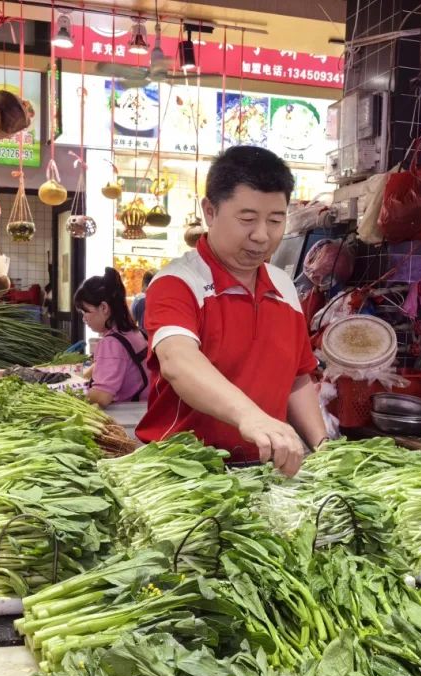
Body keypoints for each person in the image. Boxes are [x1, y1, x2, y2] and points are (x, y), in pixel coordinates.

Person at [137, 145, 327, 477]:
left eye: (275, 220)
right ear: (210, 211)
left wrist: (324, 446)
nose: (262, 235)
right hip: (182, 475)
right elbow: (177, 361)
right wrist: (248, 415)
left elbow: (297, 378)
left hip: (262, 473)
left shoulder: (284, 287)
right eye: (247, 219)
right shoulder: (178, 282)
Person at [75, 267, 149, 407]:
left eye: (85, 312)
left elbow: (102, 396)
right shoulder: (133, 332)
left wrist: (69, 392)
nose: (84, 319)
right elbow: (113, 364)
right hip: (142, 409)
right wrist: (82, 376)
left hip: (125, 417)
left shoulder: (111, 343)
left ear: (104, 307)